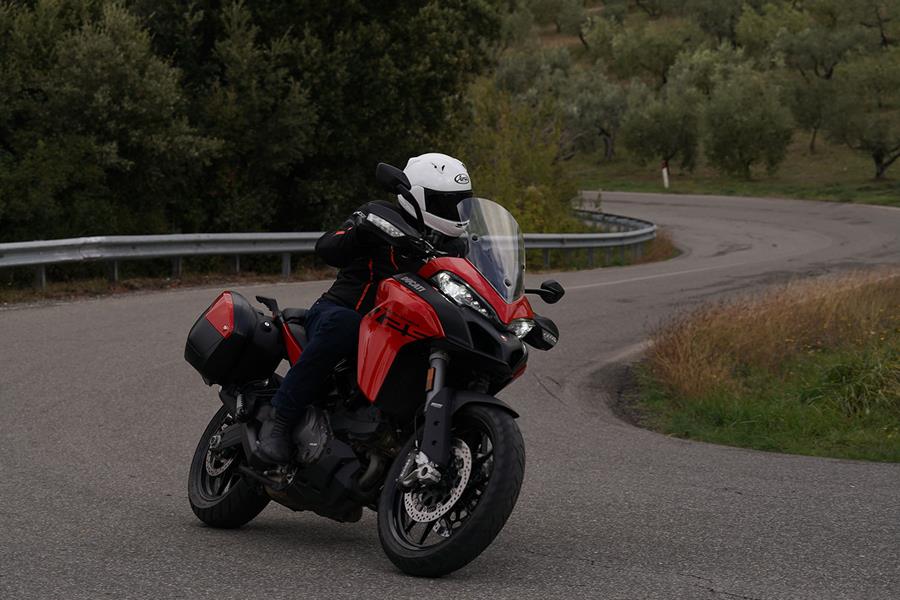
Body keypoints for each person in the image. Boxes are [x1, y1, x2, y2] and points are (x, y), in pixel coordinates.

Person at [256, 153, 473, 464]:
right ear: (419, 197)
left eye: (460, 203)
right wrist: (360, 231)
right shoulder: (380, 215)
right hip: (342, 311)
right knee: (344, 325)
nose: (454, 211)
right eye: (445, 202)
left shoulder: (457, 247)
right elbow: (327, 247)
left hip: (404, 330)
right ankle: (280, 422)